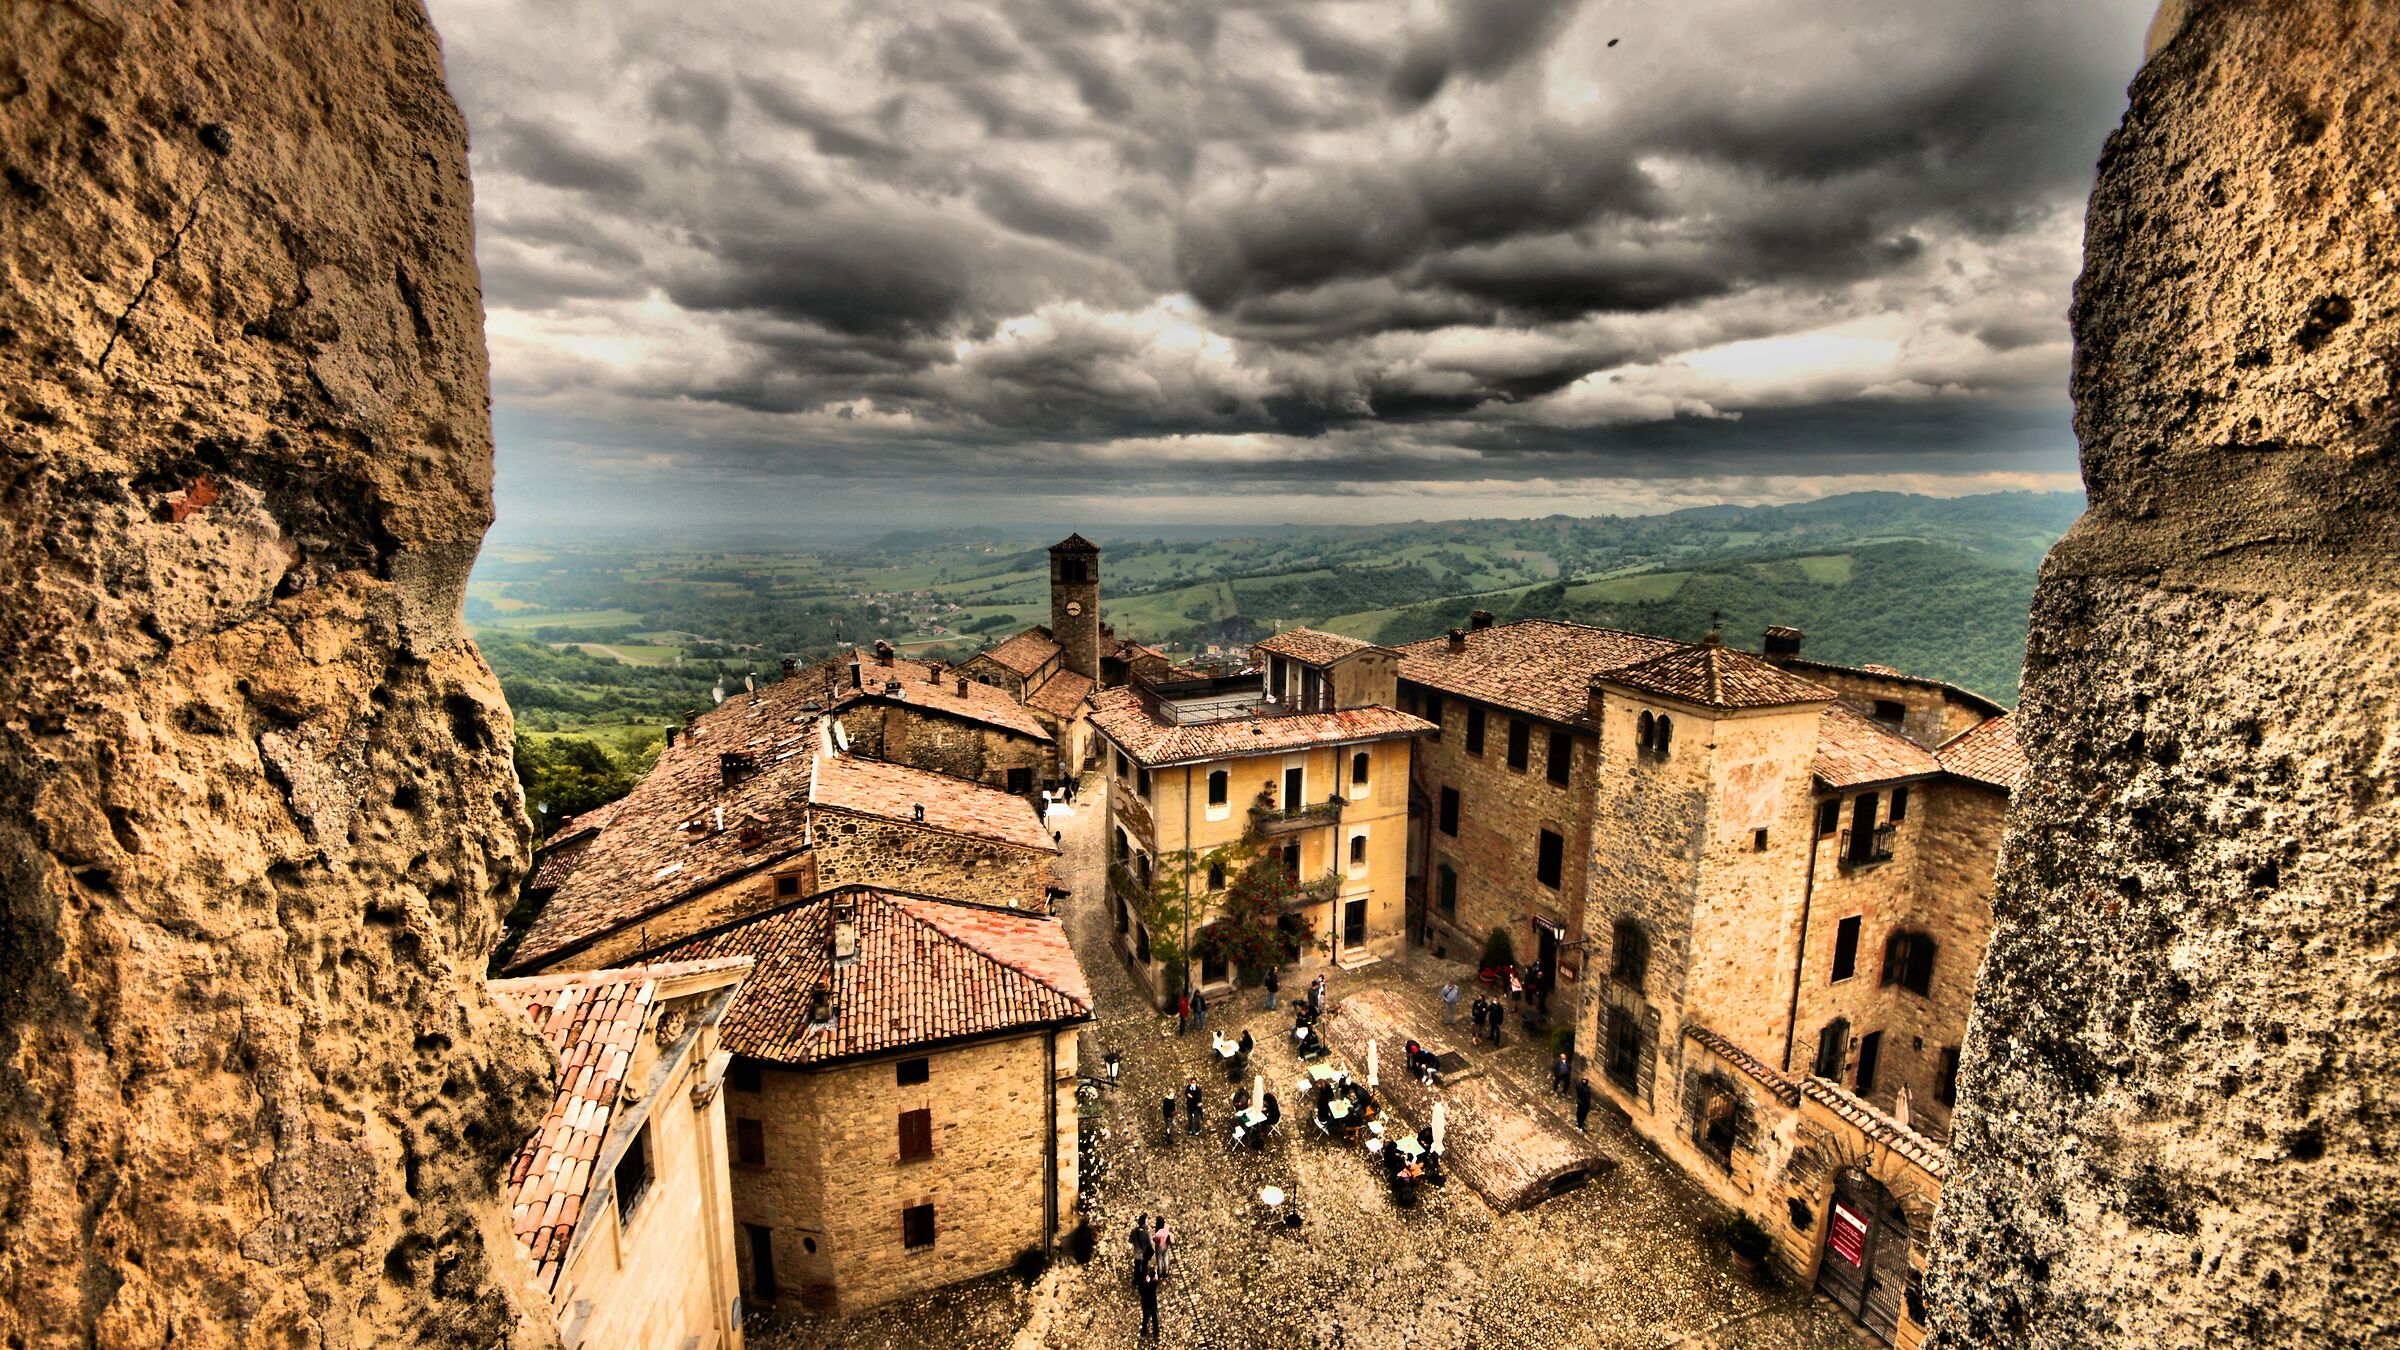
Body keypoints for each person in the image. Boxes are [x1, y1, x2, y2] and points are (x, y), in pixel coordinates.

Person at [1135, 1257, 1161, 1337]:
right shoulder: (1152, 1286)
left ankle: (1143, 1334)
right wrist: (1155, 1271)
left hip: (1145, 1304)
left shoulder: (1141, 1286)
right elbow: (1155, 1280)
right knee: (1155, 1319)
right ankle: (1156, 1333)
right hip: (1152, 1304)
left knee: (1145, 1320)